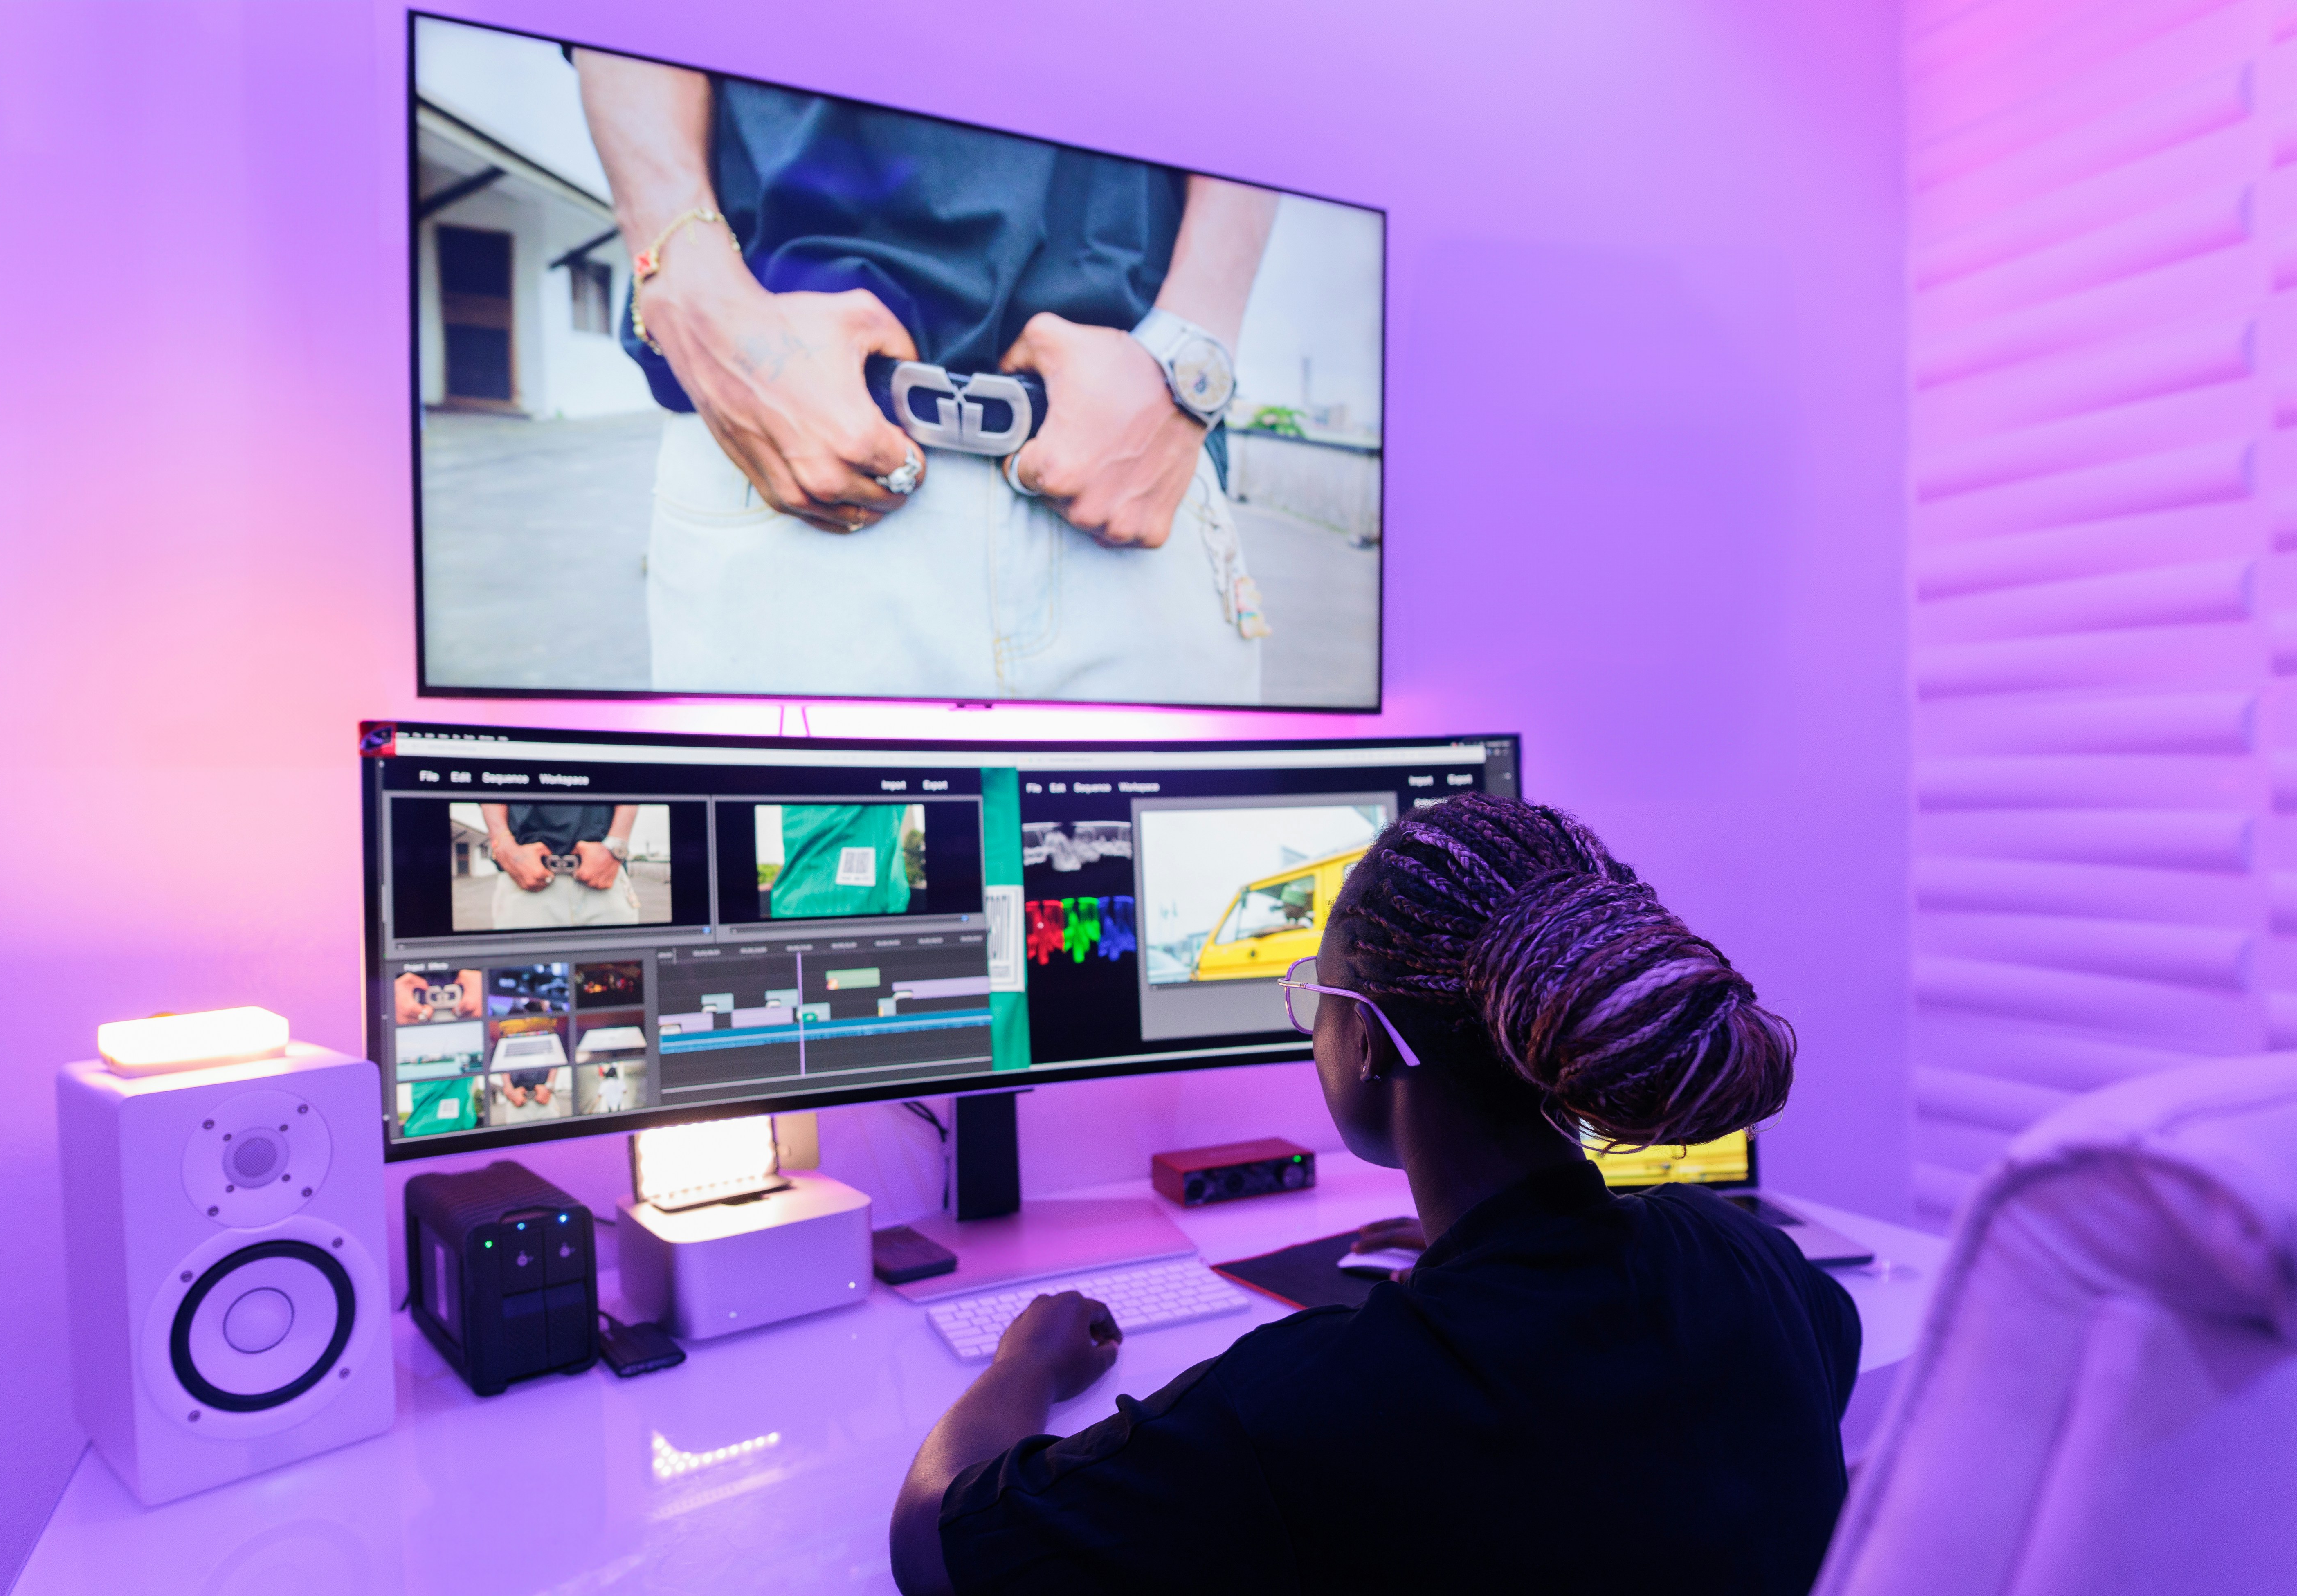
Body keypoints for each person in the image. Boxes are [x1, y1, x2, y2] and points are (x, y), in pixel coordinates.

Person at [890, 795, 1859, 1594]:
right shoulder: (1749, 1262)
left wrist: (1026, 1362)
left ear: (1363, 1042)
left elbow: (935, 1541)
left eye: (1316, 995)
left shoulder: (1304, 1406)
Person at [573, 50, 1277, 705]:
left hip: (1131, 481)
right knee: (765, 844)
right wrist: (693, 293)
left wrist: (1192, 343)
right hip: (789, 471)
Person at [481, 803, 639, 930]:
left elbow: (633, 774)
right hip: (525, 880)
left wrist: (617, 843)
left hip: (604, 876)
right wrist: (502, 844)